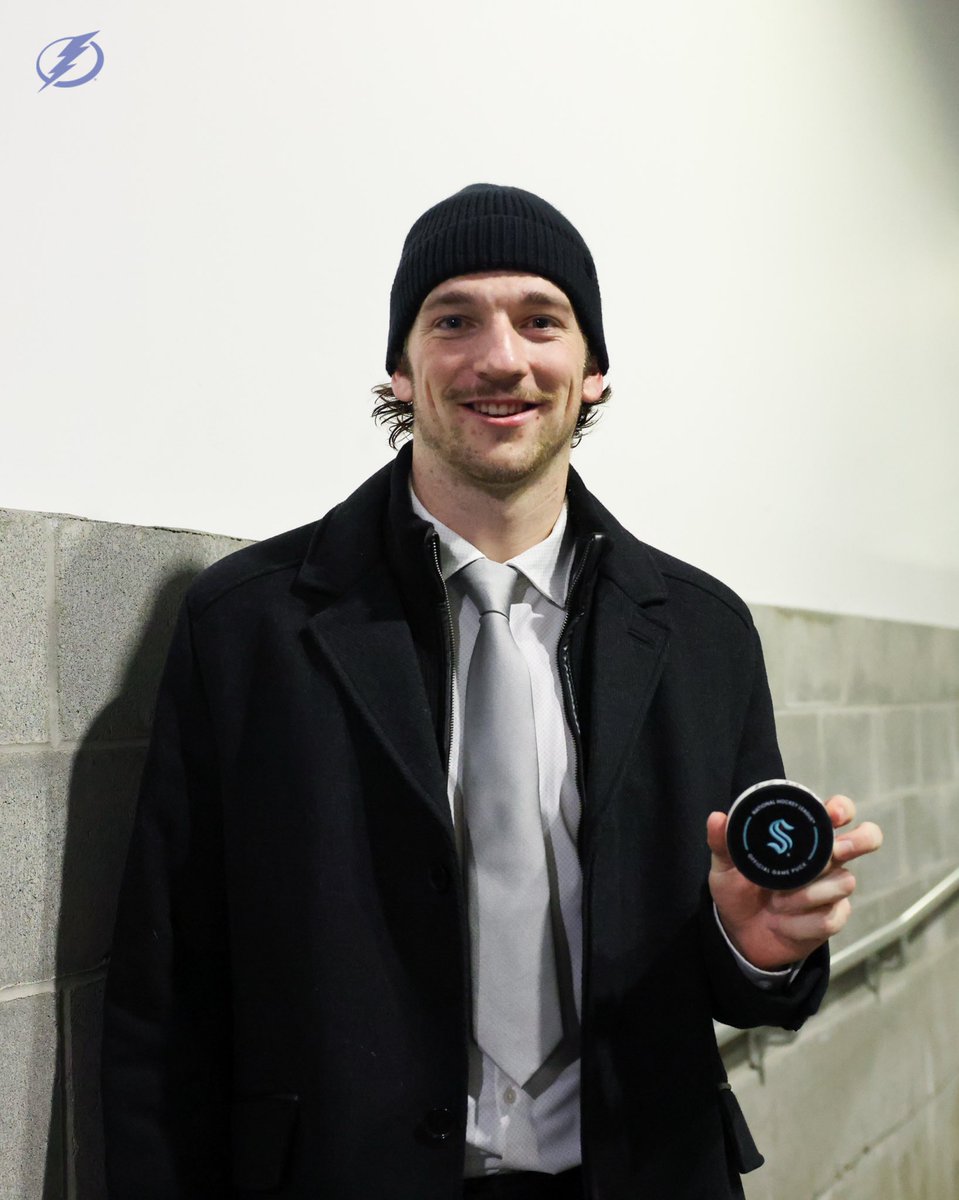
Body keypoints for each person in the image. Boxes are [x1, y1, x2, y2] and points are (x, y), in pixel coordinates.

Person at [102, 184, 882, 1199]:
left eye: (540, 321)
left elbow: (744, 978)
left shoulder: (701, 633)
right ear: (401, 364)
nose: (500, 357)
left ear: (591, 371)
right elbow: (165, 998)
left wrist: (756, 949)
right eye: (453, 319)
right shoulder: (248, 628)